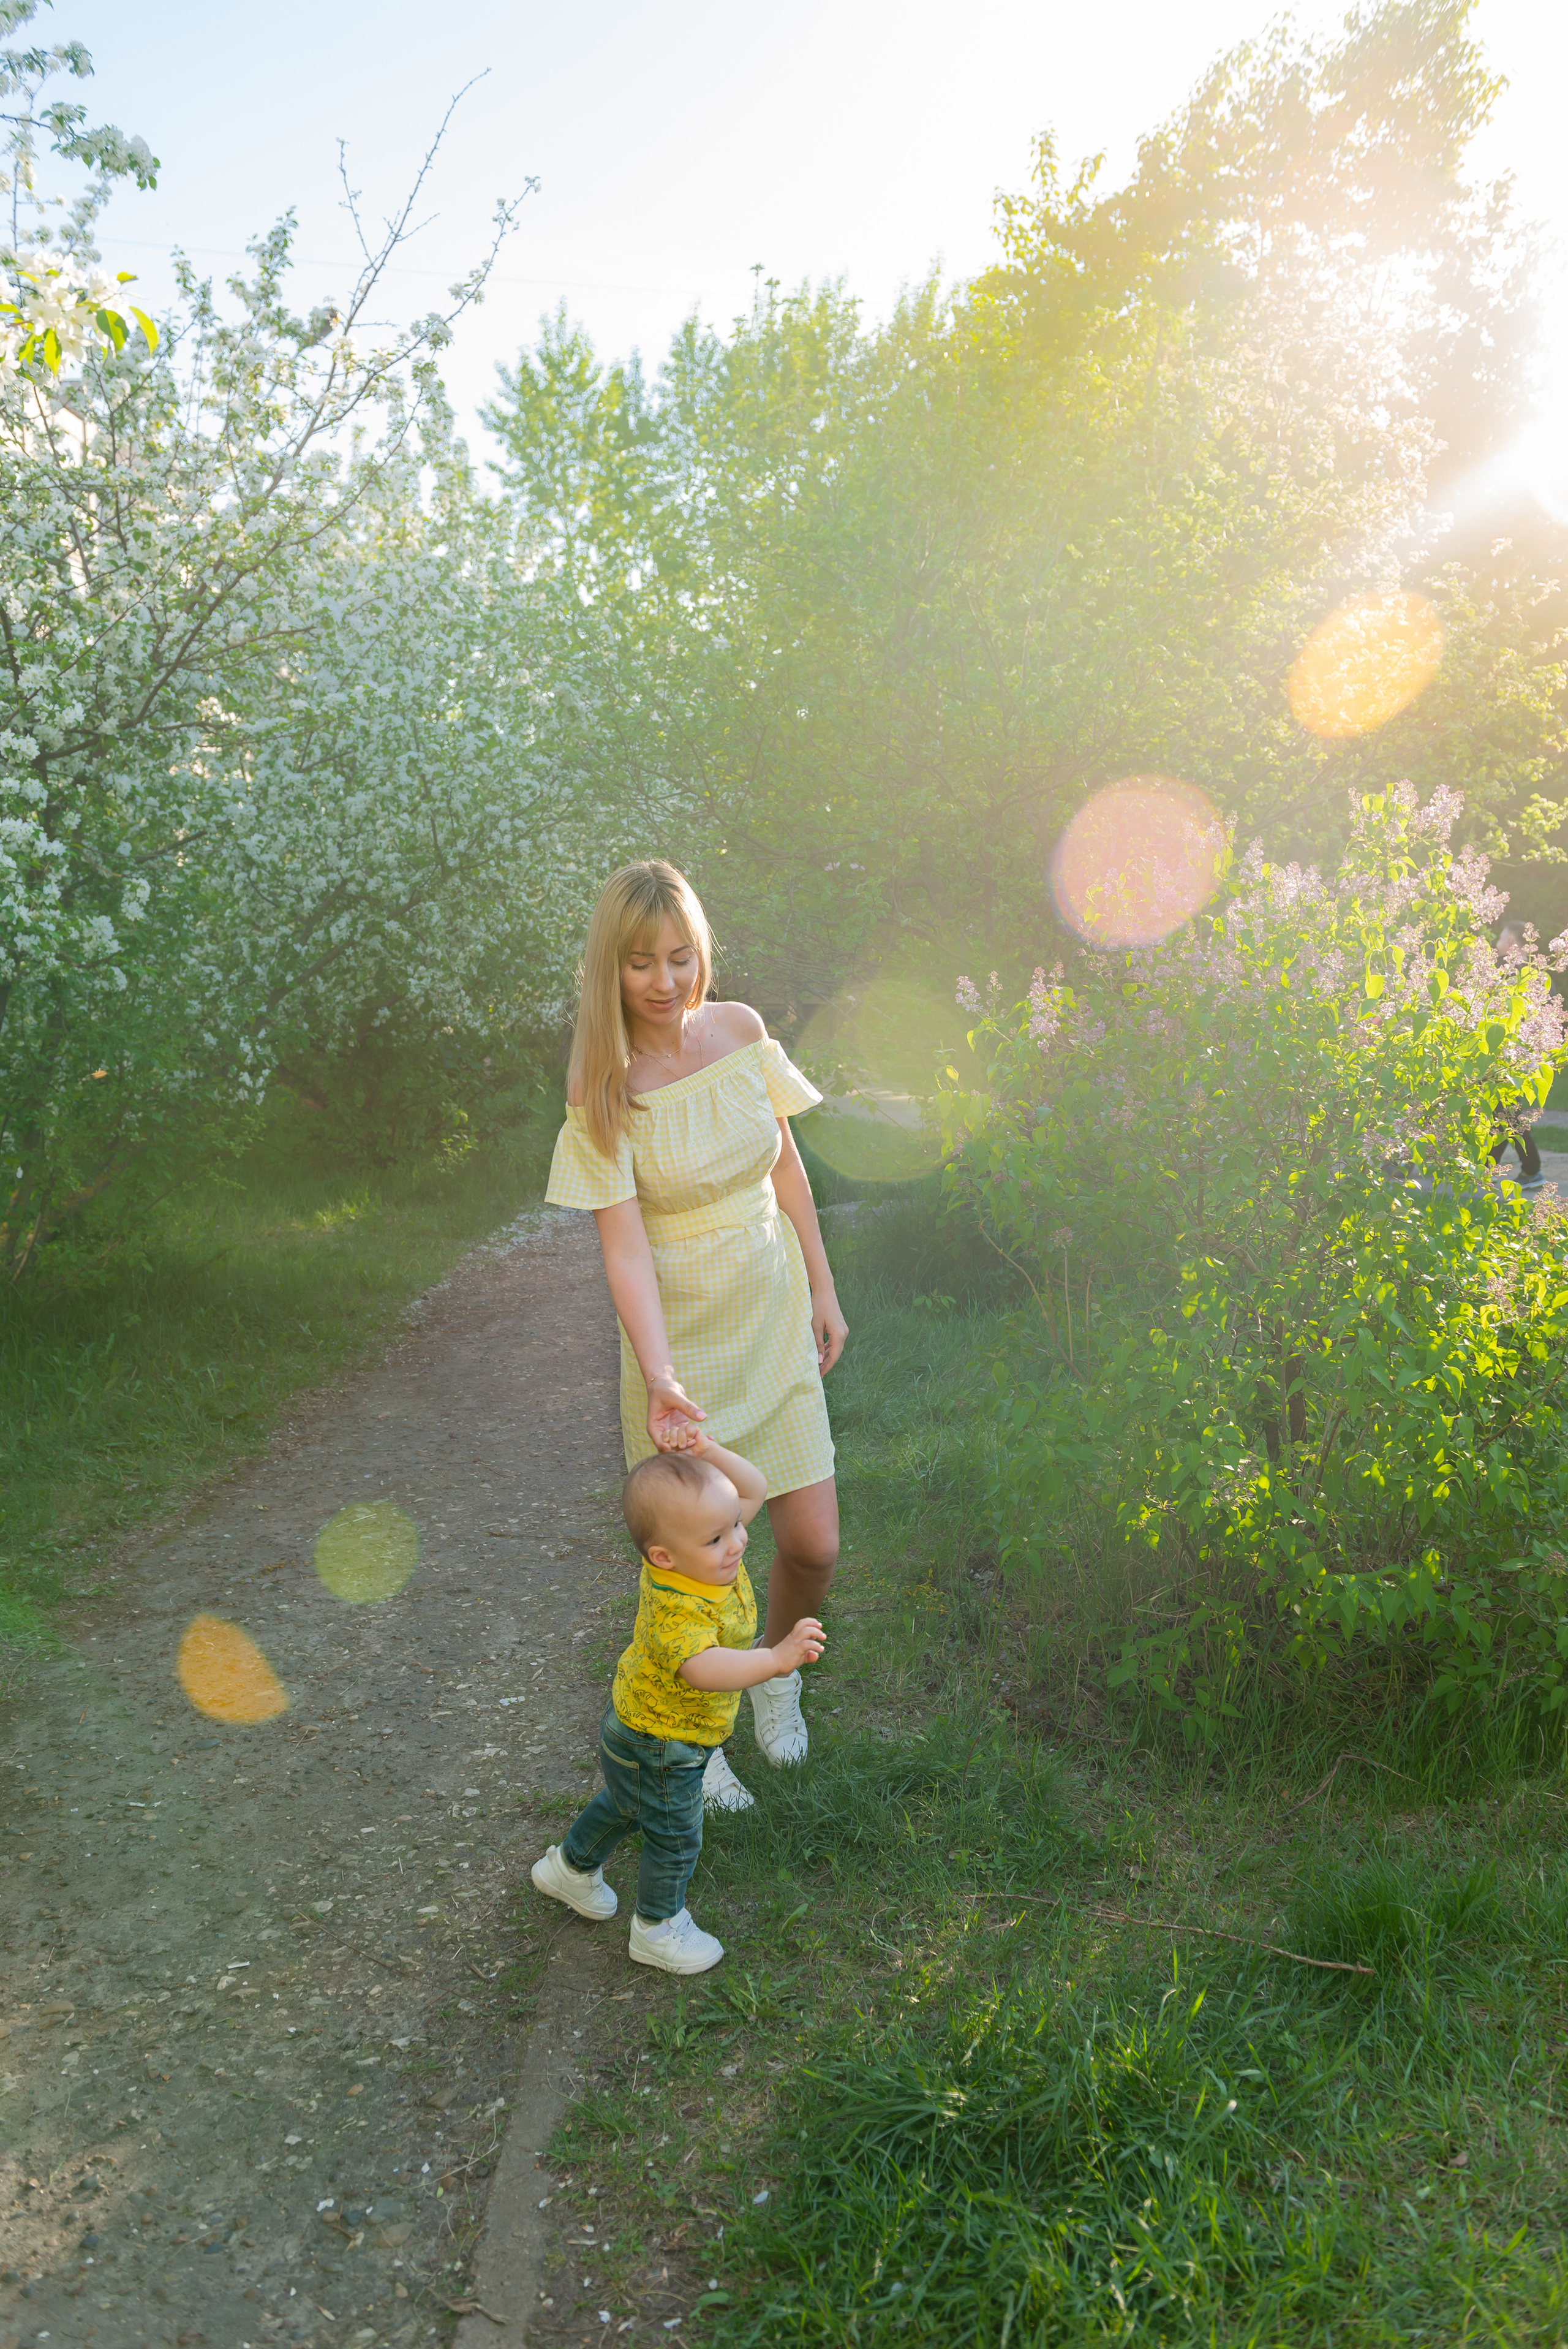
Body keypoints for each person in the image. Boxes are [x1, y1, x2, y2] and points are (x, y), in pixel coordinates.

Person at [545, 860, 847, 1809]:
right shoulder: (605, 1089)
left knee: (814, 1543)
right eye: (642, 963)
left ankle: (775, 1675)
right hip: (682, 1351)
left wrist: (823, 1288)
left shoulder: (743, 1031)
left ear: (701, 952)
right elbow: (625, 1252)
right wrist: (661, 1373)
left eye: (680, 957)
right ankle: (694, 1733)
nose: (666, 981)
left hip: (771, 1314)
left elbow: (786, 1168)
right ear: (612, 970)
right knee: (691, 1578)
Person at [529, 1434, 826, 1975]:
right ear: (663, 1557)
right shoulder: (678, 1608)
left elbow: (754, 1488)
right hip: (666, 1741)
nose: (738, 1542)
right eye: (719, 1536)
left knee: (626, 1804)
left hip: (637, 1724)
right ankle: (658, 1927)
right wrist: (775, 1660)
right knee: (675, 1835)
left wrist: (708, 1452)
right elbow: (706, 1668)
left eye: (735, 1525)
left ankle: (567, 1871)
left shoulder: (695, 1557)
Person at [1491, 921, 1545, 1193]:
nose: (1497, 940)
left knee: (1505, 1114)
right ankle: (1489, 1167)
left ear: (1512, 941)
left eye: (1501, 936)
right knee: (1504, 1113)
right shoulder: (1536, 974)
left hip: (1511, 1058)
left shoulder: (1517, 973)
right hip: (1514, 1057)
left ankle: (1530, 1170)